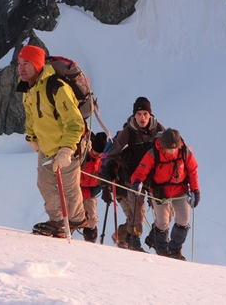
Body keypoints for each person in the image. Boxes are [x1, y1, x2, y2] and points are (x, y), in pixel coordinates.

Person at [16, 44, 88, 238]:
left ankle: (77, 221)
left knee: (69, 189)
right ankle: (57, 222)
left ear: (38, 65)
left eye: (26, 63)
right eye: (19, 63)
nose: (21, 68)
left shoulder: (57, 87)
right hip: (46, 146)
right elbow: (31, 115)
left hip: (68, 146)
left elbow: (75, 122)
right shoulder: (28, 87)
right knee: (45, 184)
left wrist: (66, 150)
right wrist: (31, 137)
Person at [101, 97, 164, 251]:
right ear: (134, 115)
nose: (142, 118)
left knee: (166, 211)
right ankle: (133, 242)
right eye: (139, 114)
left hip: (154, 178)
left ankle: (158, 239)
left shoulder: (159, 130)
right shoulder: (128, 132)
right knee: (137, 213)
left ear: (150, 115)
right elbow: (113, 153)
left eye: (145, 114)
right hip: (132, 178)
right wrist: (111, 166)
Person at [130, 128, 200, 260]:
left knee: (184, 219)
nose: (172, 151)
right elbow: (140, 171)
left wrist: (196, 190)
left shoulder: (185, 152)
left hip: (180, 190)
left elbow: (193, 171)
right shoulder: (153, 154)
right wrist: (137, 182)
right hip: (159, 192)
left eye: (175, 148)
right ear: (162, 145)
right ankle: (161, 247)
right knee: (162, 221)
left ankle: (175, 250)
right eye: (169, 148)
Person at [80, 132, 108, 242]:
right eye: (96, 152)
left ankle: (90, 237)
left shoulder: (102, 162)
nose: (98, 155)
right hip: (77, 190)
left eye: (100, 154)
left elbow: (101, 182)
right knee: (74, 214)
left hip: (91, 192)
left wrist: (92, 192)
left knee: (92, 219)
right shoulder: (83, 157)